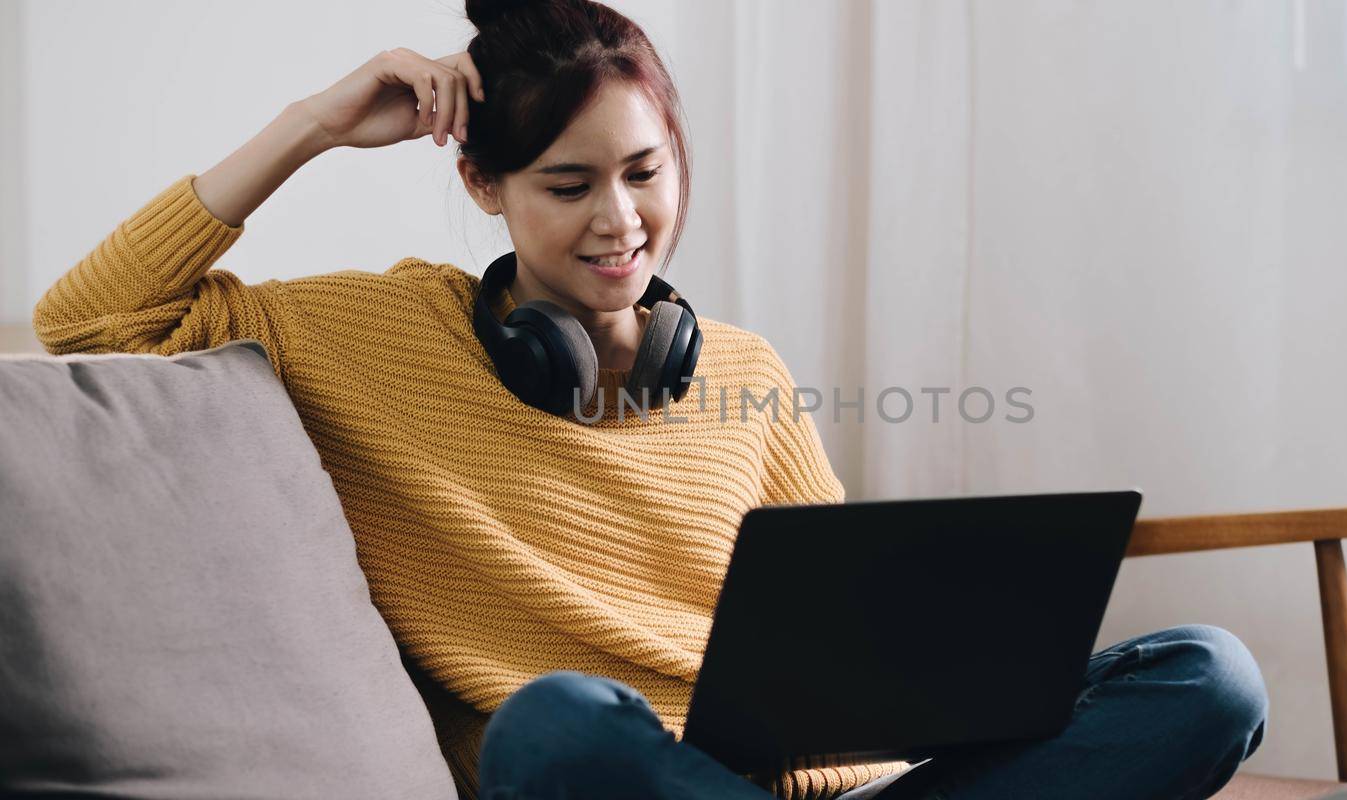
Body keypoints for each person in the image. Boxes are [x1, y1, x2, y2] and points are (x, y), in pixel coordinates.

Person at [30, 0, 1268, 797]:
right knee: (550, 729)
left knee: (1209, 675)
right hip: (614, 776)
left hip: (834, 788)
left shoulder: (742, 368)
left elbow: (852, 654)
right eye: (566, 185)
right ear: (483, 186)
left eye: (643, 171)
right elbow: (88, 317)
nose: (618, 222)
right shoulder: (367, 334)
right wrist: (308, 125)